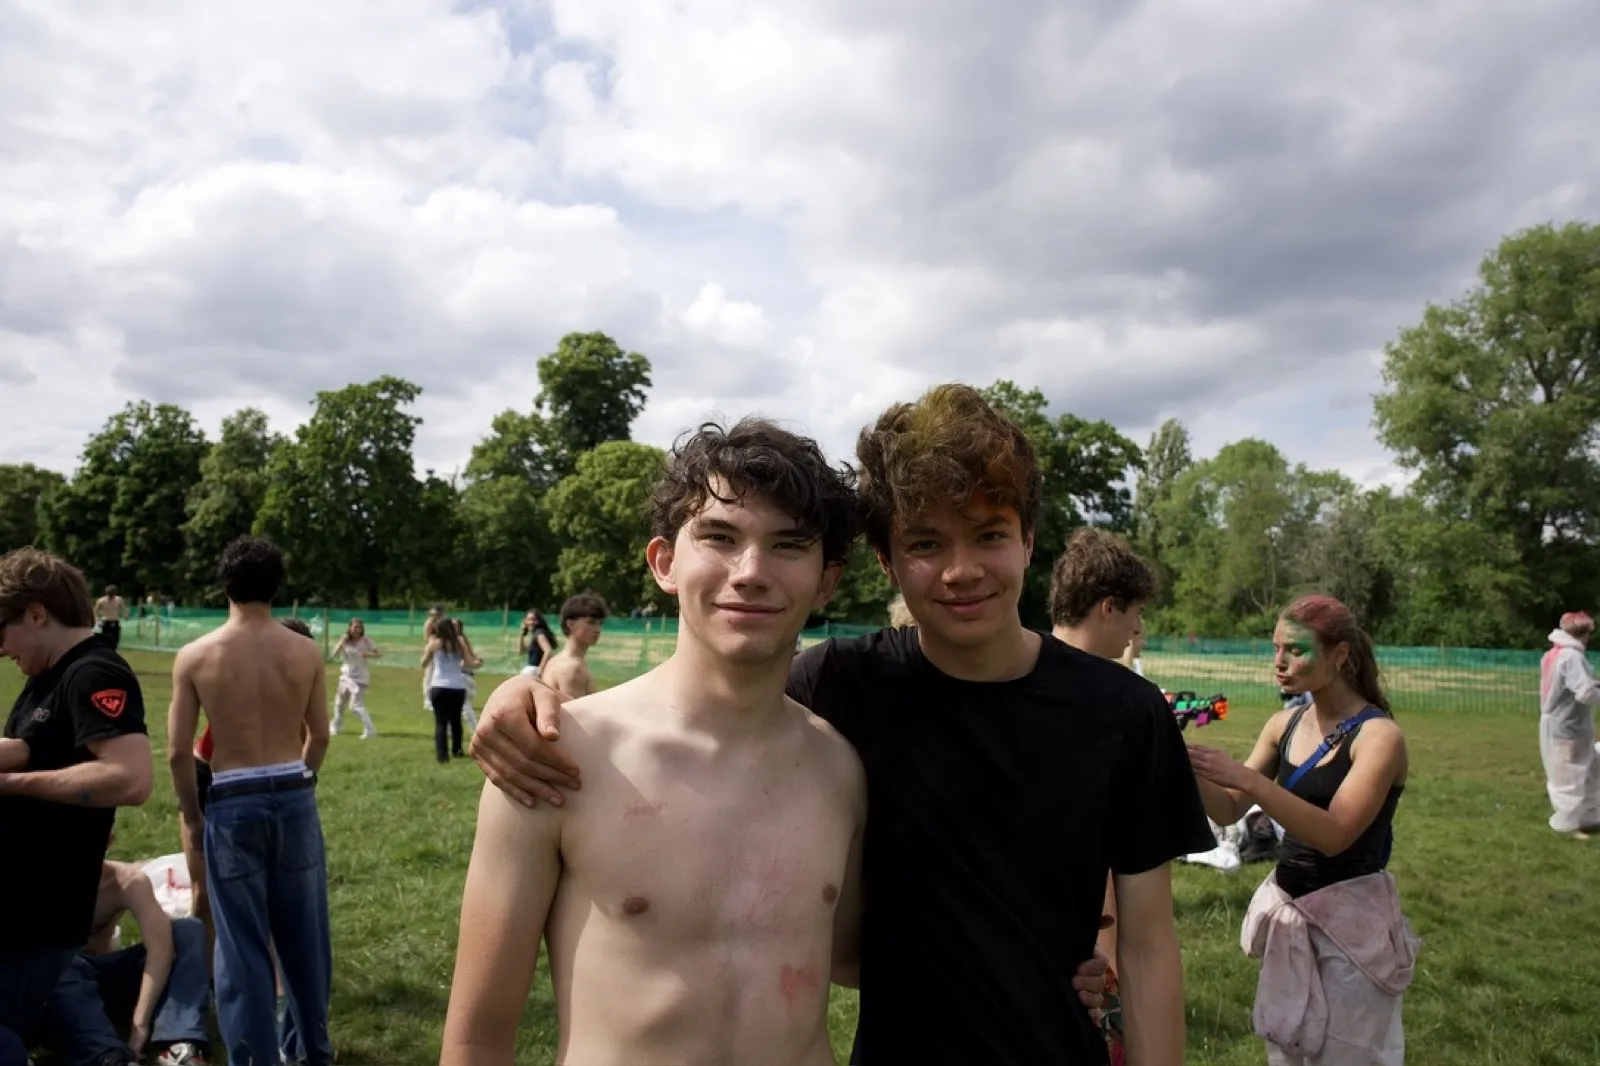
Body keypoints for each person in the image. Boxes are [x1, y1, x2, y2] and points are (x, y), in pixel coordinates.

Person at [470, 385, 1198, 1064]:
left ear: (1029, 540)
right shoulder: (842, 687)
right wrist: (526, 688)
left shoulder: (1119, 713)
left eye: (989, 535)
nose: (961, 569)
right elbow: (702, 707)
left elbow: (1148, 947)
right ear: (884, 561)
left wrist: (1051, 963)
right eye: (924, 543)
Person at [440, 418, 867, 1066]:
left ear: (827, 581)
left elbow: (854, 959)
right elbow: (477, 1039)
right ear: (665, 562)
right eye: (720, 538)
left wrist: (1077, 941)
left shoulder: (839, 769)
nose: (750, 572)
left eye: (787, 545)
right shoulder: (555, 758)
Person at [1188, 594, 1417, 1065]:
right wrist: (1185, 762)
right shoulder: (1284, 724)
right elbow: (1230, 810)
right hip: (1291, 917)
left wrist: (1246, 778)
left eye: (1295, 650)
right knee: (1288, 1050)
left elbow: (1335, 834)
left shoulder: (1379, 736)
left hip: (1353, 933)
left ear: (1339, 655)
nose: (1280, 662)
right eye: (1276, 649)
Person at [166, 536, 333, 1066]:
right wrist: (300, 782)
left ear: (225, 584)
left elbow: (175, 752)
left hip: (231, 798)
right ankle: (312, 1052)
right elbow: (321, 735)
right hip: (293, 790)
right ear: (276, 584)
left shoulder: (196, 656)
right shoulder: (305, 649)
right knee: (305, 937)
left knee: (241, 948)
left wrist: (194, 815)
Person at [0, 549, 154, 1048]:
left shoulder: (93, 673)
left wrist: (8, 786)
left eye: (0, 632)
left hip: (38, 915)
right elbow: (31, 750)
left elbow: (131, 778)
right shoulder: (46, 677)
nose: (1, 650)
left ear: (37, 612)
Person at [1047, 526, 1163, 1066]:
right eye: (1136, 614)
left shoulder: (1001, 678)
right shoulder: (1120, 706)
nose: (1138, 630)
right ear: (1108, 607)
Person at [35, 852, 212, 1066]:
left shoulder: (126, 880)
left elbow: (161, 951)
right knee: (64, 961)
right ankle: (108, 1056)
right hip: (56, 993)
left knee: (188, 931)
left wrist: (139, 1026)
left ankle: (180, 1045)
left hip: (103, 978)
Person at [1538, 610, 1600, 840]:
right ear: (1584, 633)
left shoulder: (1554, 654)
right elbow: (1583, 693)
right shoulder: (1572, 657)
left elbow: (1571, 685)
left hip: (1565, 723)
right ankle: (1567, 823)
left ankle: (1589, 816)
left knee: (1592, 769)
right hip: (1568, 726)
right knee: (1569, 774)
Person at [420, 618, 479, 764]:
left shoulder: (435, 643)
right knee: (456, 721)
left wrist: (429, 652)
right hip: (457, 687)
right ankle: (457, 750)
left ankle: (442, 756)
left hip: (439, 686)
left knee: (441, 723)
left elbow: (423, 663)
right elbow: (469, 663)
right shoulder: (459, 642)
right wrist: (478, 663)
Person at [538, 593, 608, 699]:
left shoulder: (558, 661)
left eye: (600, 623)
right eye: (591, 622)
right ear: (570, 624)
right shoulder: (572, 668)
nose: (598, 629)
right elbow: (574, 714)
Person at [330, 618, 381, 740]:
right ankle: (336, 725)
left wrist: (367, 654)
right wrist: (341, 643)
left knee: (355, 705)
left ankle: (370, 730)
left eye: (359, 627)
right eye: (355, 627)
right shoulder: (345, 640)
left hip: (360, 676)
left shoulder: (366, 640)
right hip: (346, 675)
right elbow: (334, 655)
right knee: (340, 703)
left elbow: (378, 653)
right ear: (349, 627)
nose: (357, 629)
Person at [517, 609, 557, 677]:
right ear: (525, 621)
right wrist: (521, 634)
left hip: (534, 670)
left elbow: (548, 651)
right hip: (532, 670)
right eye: (528, 620)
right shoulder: (535, 634)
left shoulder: (539, 634)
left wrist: (539, 671)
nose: (531, 622)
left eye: (534, 619)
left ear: (539, 621)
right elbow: (520, 651)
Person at [421, 605, 445, 711]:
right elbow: (427, 638)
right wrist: (431, 649)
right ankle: (427, 700)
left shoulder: (444, 623)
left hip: (442, 650)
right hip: (432, 649)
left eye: (436, 614)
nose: (434, 616)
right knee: (429, 674)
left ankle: (438, 699)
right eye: (432, 614)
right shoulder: (429, 623)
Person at [93, 586, 128, 652]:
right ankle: (107, 652)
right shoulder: (101, 601)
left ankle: (113, 652)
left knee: (116, 640)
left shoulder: (118, 599)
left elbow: (124, 609)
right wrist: (97, 620)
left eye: (112, 595)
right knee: (106, 639)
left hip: (115, 621)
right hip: (106, 622)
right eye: (110, 594)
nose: (111, 597)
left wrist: (126, 615)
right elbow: (95, 611)